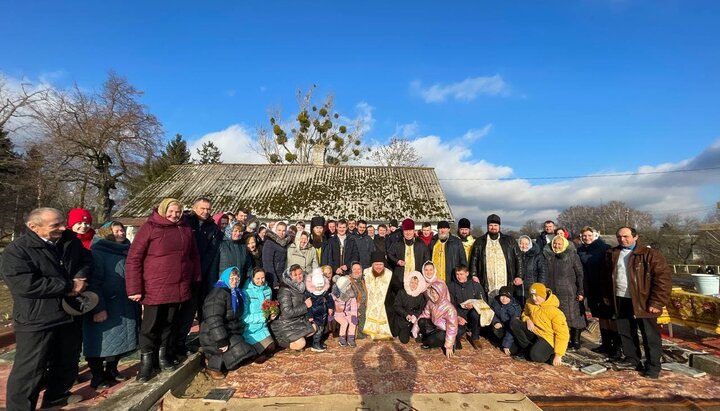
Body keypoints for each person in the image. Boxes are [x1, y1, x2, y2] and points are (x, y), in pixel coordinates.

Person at [1, 207, 92, 409]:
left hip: (69, 313)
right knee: (31, 369)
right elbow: (25, 284)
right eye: (55, 225)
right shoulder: (17, 251)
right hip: (37, 318)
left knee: (68, 359)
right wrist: (68, 286)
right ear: (34, 227)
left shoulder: (69, 240)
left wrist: (80, 277)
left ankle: (57, 395)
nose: (63, 227)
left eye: (62, 222)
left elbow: (85, 260)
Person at [125, 198, 201, 382]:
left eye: (178, 212)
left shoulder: (184, 229)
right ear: (162, 210)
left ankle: (162, 356)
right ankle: (146, 362)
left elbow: (193, 256)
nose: (175, 215)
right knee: (150, 326)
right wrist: (134, 288)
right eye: (171, 211)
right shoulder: (150, 228)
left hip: (178, 285)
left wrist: (195, 278)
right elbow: (134, 259)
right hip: (154, 286)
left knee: (169, 323)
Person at [602, 227, 672, 379]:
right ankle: (632, 359)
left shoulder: (650, 255)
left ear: (635, 237)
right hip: (620, 298)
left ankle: (653, 365)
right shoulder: (612, 253)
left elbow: (663, 280)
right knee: (625, 331)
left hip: (644, 300)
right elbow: (607, 277)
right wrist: (608, 295)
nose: (622, 239)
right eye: (619, 237)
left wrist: (657, 302)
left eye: (626, 236)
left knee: (649, 334)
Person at [83, 223, 139, 389]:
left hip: (124, 303)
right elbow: (94, 282)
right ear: (107, 233)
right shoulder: (97, 253)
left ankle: (112, 370)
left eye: (122, 230)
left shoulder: (128, 251)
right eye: (116, 231)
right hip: (104, 303)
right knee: (98, 343)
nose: (121, 233)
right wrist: (99, 308)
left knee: (120, 341)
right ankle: (97, 377)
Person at [178, 197, 224, 356]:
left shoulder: (213, 228)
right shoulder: (185, 222)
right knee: (186, 313)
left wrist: (204, 271)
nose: (205, 212)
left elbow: (213, 252)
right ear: (194, 208)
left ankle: (204, 341)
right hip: (187, 274)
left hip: (205, 274)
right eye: (202, 208)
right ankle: (179, 343)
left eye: (208, 209)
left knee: (205, 311)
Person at [200, 267, 256, 379]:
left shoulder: (235, 293)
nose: (234, 281)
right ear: (225, 278)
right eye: (231, 278)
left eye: (236, 278)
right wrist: (221, 340)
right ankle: (212, 367)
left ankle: (225, 362)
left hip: (229, 330)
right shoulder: (217, 294)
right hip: (212, 334)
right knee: (239, 350)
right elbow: (214, 319)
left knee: (245, 352)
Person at [577, 226, 617, 357]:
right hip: (591, 287)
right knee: (601, 317)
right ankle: (605, 344)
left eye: (589, 235)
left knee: (611, 317)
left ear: (594, 235)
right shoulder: (581, 250)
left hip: (604, 287)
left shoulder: (604, 248)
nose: (586, 238)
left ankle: (616, 346)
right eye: (584, 236)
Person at [387, 219, 430, 335]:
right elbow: (389, 254)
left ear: (414, 230)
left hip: (416, 280)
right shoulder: (397, 243)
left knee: (417, 304)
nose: (408, 233)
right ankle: (402, 325)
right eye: (406, 231)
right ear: (403, 231)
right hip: (401, 279)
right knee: (401, 303)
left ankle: (416, 326)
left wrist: (426, 277)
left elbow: (427, 260)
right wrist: (397, 261)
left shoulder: (421, 244)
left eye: (410, 231)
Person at [509, 283, 569, 366]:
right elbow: (525, 313)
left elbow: (562, 334)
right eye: (532, 295)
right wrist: (527, 319)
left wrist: (558, 355)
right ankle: (527, 349)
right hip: (535, 331)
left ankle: (548, 355)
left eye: (536, 296)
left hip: (548, 338)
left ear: (543, 295)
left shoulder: (555, 312)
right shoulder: (530, 302)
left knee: (535, 356)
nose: (534, 298)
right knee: (514, 323)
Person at [543, 235, 585, 351]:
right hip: (552, 291)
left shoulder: (572, 256)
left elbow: (580, 274)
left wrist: (581, 291)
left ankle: (575, 340)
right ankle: (562, 340)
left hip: (569, 291)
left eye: (559, 244)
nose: (556, 246)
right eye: (555, 244)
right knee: (557, 317)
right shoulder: (548, 257)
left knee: (573, 316)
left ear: (564, 245)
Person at [469, 214, 523, 301]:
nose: (493, 227)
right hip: (488, 280)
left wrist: (519, 275)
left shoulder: (509, 241)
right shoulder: (479, 242)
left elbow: (518, 258)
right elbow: (474, 259)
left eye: (495, 225)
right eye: (491, 225)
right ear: (487, 226)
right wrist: (474, 275)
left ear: (499, 226)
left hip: (505, 279)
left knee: (505, 304)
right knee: (489, 303)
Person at [270, 265, 316, 351]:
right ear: (290, 276)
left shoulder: (302, 286)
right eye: (295, 275)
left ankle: (297, 338)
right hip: (285, 323)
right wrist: (305, 305)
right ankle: (281, 341)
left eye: (300, 274)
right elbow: (287, 312)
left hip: (297, 320)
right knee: (301, 343)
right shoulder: (285, 290)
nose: (299, 276)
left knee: (315, 328)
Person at [412, 281, 460, 359]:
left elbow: (452, 327)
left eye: (437, 293)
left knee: (430, 341)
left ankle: (453, 342)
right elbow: (424, 314)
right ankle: (428, 339)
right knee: (421, 321)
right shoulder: (430, 302)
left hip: (444, 330)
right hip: (435, 326)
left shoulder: (449, 308)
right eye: (433, 292)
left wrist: (449, 346)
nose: (434, 295)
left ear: (442, 293)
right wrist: (415, 328)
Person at [240, 267, 276, 364]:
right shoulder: (246, 292)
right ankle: (253, 352)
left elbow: (269, 306)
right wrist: (263, 317)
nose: (261, 281)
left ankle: (258, 352)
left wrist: (272, 313)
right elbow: (244, 317)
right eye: (258, 279)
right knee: (259, 354)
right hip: (250, 329)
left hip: (263, 327)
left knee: (271, 347)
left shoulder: (268, 290)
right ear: (252, 278)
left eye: (263, 278)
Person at [448, 265, 483, 349]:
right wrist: (458, 316)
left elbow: (482, 300)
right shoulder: (451, 286)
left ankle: (475, 338)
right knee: (458, 332)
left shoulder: (475, 285)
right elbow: (450, 304)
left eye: (461, 274)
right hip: (459, 313)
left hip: (472, 312)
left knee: (476, 314)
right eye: (457, 274)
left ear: (467, 273)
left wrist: (474, 305)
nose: (459, 277)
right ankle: (462, 333)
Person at [362, 252, 394, 341]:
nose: (378, 267)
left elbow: (396, 287)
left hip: (385, 303)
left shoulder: (389, 274)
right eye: (376, 264)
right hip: (368, 303)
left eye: (381, 264)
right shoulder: (365, 272)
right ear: (372, 265)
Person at [216, 223, 254, 289]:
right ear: (230, 231)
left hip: (238, 285)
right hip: (223, 286)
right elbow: (214, 267)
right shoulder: (221, 245)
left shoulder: (244, 248)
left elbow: (249, 268)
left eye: (240, 231)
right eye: (235, 231)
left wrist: (247, 282)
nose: (238, 233)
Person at [393, 271, 427, 344]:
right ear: (408, 282)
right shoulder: (402, 292)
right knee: (399, 336)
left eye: (416, 283)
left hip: (413, 320)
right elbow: (397, 306)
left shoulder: (420, 296)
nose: (413, 285)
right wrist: (406, 314)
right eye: (412, 282)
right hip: (402, 318)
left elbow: (422, 308)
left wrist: (415, 315)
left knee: (406, 339)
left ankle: (412, 330)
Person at [304, 268, 334, 352]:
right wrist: (309, 316)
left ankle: (318, 342)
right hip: (314, 316)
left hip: (323, 314)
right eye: (318, 287)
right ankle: (315, 344)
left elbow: (330, 300)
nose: (320, 288)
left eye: (321, 286)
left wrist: (330, 307)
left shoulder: (324, 292)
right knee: (317, 330)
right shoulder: (310, 294)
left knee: (322, 329)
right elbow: (308, 307)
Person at [490, 286, 522, 355]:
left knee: (512, 350)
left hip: (512, 330)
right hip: (502, 325)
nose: (504, 299)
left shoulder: (515, 307)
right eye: (502, 296)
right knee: (495, 330)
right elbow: (491, 312)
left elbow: (513, 327)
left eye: (507, 297)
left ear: (511, 297)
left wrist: (506, 345)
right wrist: (496, 321)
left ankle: (508, 343)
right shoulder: (496, 301)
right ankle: (501, 340)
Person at [517, 235, 546, 305]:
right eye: (521, 243)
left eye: (526, 244)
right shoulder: (516, 255)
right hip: (518, 288)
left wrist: (540, 287)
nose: (524, 246)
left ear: (530, 244)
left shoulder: (537, 256)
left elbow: (542, 272)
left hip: (532, 287)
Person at [332, 274, 359, 347]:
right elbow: (331, 305)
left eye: (349, 285)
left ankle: (351, 338)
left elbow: (354, 306)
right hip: (337, 314)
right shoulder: (335, 296)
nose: (349, 286)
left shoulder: (351, 295)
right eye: (347, 285)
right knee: (344, 322)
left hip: (347, 313)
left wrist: (354, 316)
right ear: (342, 288)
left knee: (353, 322)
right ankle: (342, 338)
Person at [262, 221, 290, 291]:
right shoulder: (270, 242)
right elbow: (268, 263)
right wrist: (274, 281)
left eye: (284, 231)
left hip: (282, 277)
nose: (281, 233)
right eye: (279, 230)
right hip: (272, 277)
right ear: (275, 230)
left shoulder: (285, 243)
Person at [349, 262, 369, 339]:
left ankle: (361, 333)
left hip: (364, 304)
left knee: (364, 319)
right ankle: (354, 334)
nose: (357, 271)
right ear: (351, 270)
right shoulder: (349, 281)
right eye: (354, 269)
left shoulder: (363, 280)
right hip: (354, 305)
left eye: (358, 269)